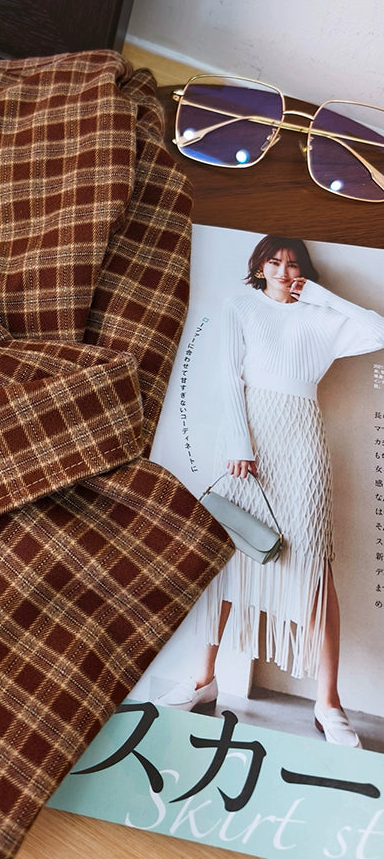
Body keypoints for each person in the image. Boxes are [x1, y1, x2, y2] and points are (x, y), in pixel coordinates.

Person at [161, 235, 384, 747]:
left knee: (315, 567)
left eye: (294, 263)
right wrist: (239, 443)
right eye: (274, 261)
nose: (284, 270)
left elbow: (378, 330)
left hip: (303, 442)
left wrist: (320, 296)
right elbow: (228, 378)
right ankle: (203, 678)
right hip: (249, 442)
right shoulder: (240, 307)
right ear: (259, 267)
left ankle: (329, 702)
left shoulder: (322, 317)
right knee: (227, 559)